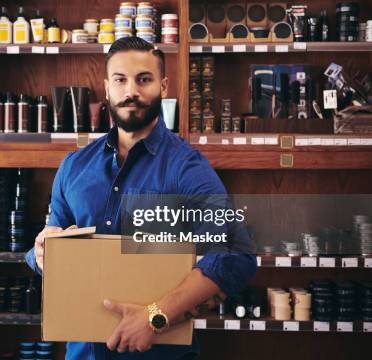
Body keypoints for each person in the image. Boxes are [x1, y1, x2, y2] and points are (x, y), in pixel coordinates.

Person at [25, 37, 257, 359]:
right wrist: (40, 253)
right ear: (107, 88)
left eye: (143, 79)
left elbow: (236, 255)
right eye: (120, 80)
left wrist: (153, 317)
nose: (131, 91)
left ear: (162, 86)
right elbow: (50, 247)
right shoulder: (73, 167)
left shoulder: (186, 168)